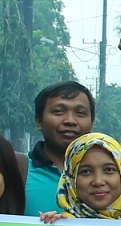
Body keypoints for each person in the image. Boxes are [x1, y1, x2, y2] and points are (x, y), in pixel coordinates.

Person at [22, 82, 95, 216]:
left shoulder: (105, 177)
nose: (70, 121)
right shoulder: (18, 170)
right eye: (58, 111)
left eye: (80, 113)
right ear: (39, 121)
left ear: (92, 122)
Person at [41, 133, 121, 222]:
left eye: (109, 170)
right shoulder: (60, 225)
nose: (98, 181)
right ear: (71, 180)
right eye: (86, 172)